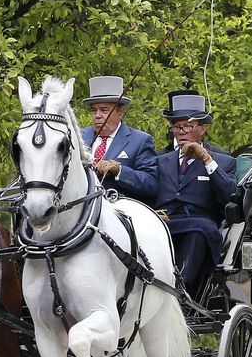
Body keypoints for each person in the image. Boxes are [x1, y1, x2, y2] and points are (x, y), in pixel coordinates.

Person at [153, 90, 238, 301]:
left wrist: (206, 160)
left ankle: (180, 289)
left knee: (201, 229)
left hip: (199, 224)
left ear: (203, 128)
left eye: (187, 126)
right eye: (176, 126)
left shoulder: (223, 161)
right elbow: (147, 191)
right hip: (164, 222)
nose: (181, 132)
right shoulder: (160, 160)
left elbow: (229, 196)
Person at [79, 75, 157, 204]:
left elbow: (151, 184)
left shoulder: (140, 140)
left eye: (104, 110)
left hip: (117, 209)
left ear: (120, 112)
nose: (97, 116)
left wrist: (119, 171)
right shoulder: (79, 137)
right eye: (94, 110)